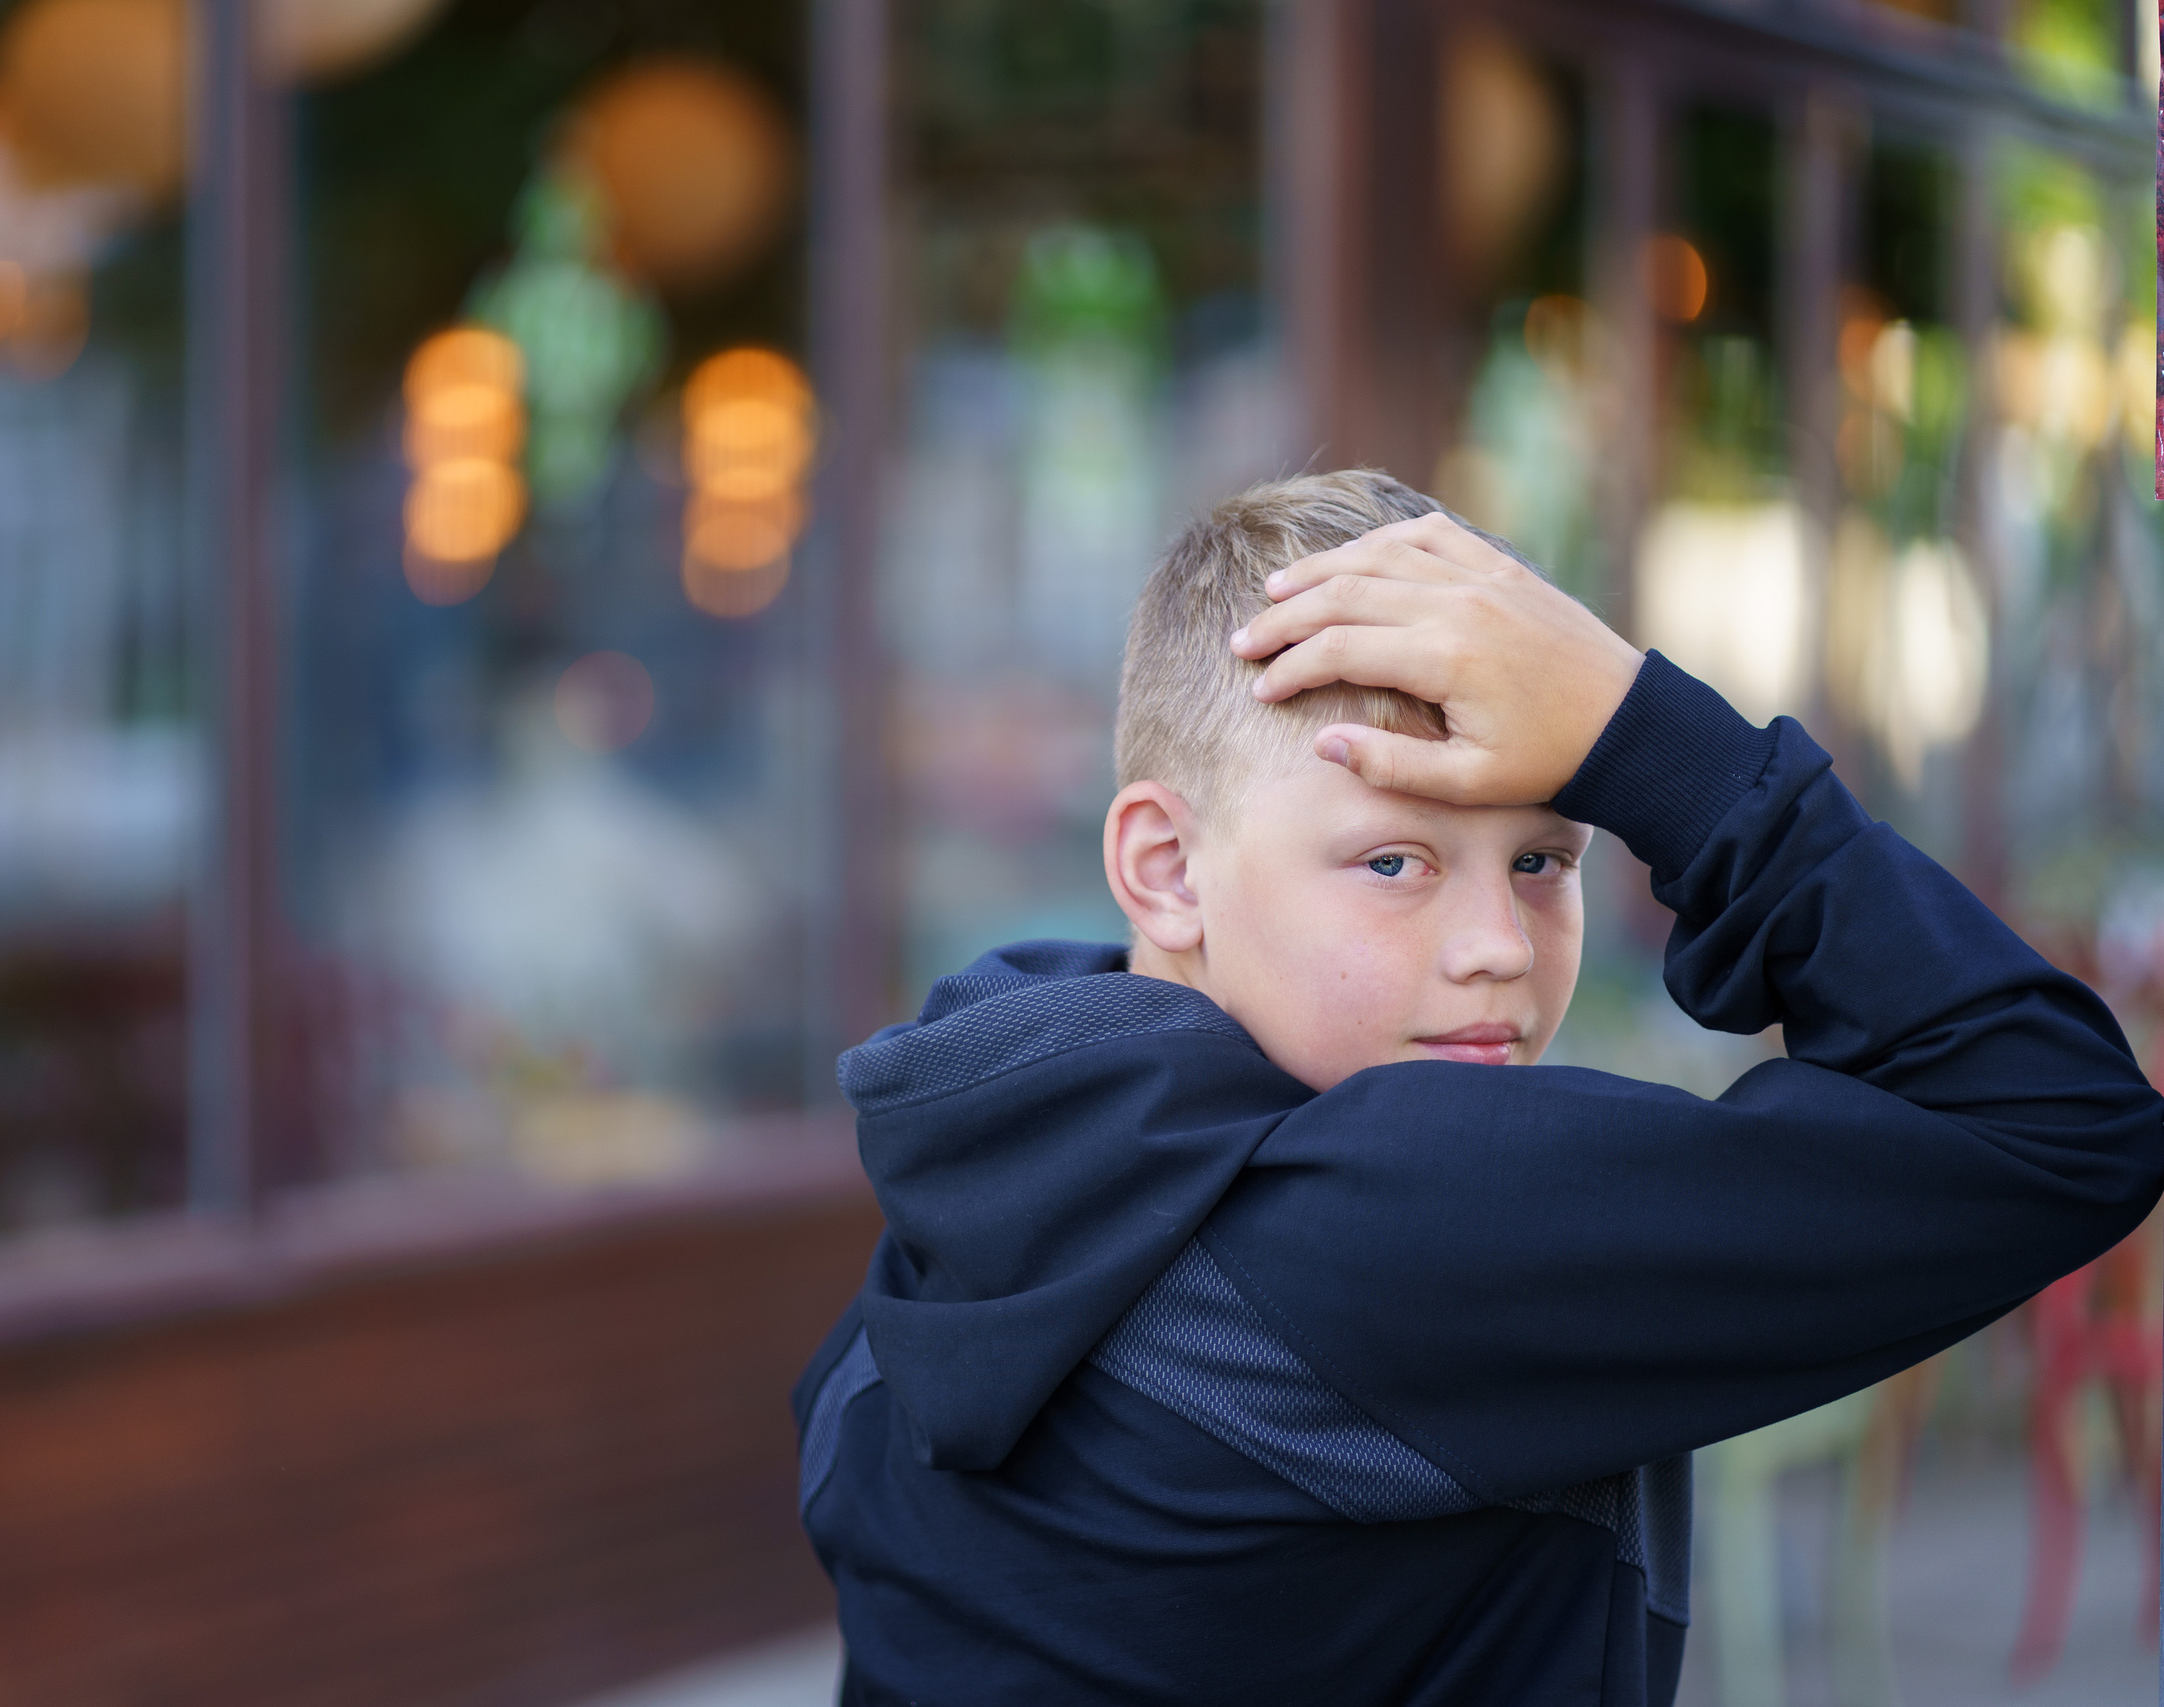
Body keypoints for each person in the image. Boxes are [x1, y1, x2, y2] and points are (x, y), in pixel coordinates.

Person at [791, 471, 2164, 1706]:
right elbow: (2055, 1114)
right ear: (1164, 867)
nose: (1499, 949)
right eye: (1394, 862)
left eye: (1546, 860)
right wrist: (1649, 738)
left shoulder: (977, 1170)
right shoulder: (1405, 1224)